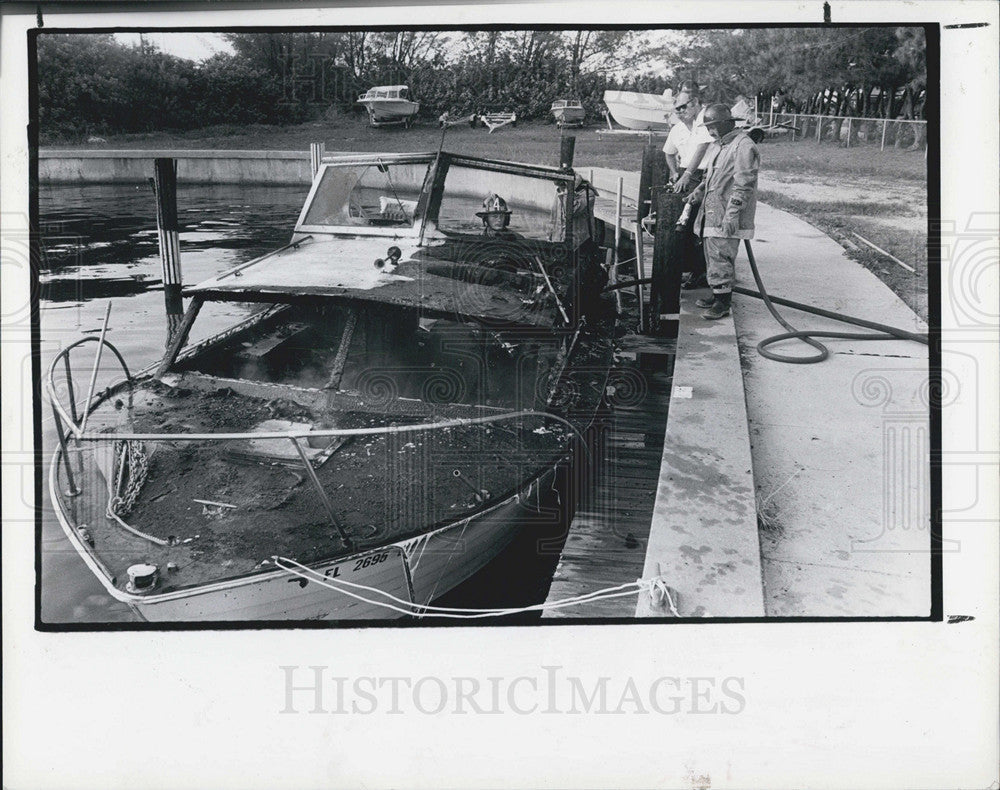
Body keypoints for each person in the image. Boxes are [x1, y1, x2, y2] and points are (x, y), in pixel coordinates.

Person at [684, 103, 760, 320]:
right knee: (713, 254)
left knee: (721, 254)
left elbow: (744, 183)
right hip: (713, 211)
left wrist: (733, 214)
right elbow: (712, 177)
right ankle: (718, 293)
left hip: (727, 214)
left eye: (714, 126)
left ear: (727, 123)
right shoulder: (720, 145)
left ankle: (722, 303)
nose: (710, 131)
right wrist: (699, 191)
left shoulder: (743, 146)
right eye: (708, 127)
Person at [662, 91, 713, 288]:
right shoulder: (676, 129)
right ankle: (690, 269)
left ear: (695, 103)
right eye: (677, 109)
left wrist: (687, 175)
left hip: (703, 174)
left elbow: (701, 149)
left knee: (703, 224)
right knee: (684, 223)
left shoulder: (705, 122)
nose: (681, 112)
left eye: (684, 106)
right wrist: (676, 172)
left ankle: (702, 272)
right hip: (686, 175)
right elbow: (668, 153)